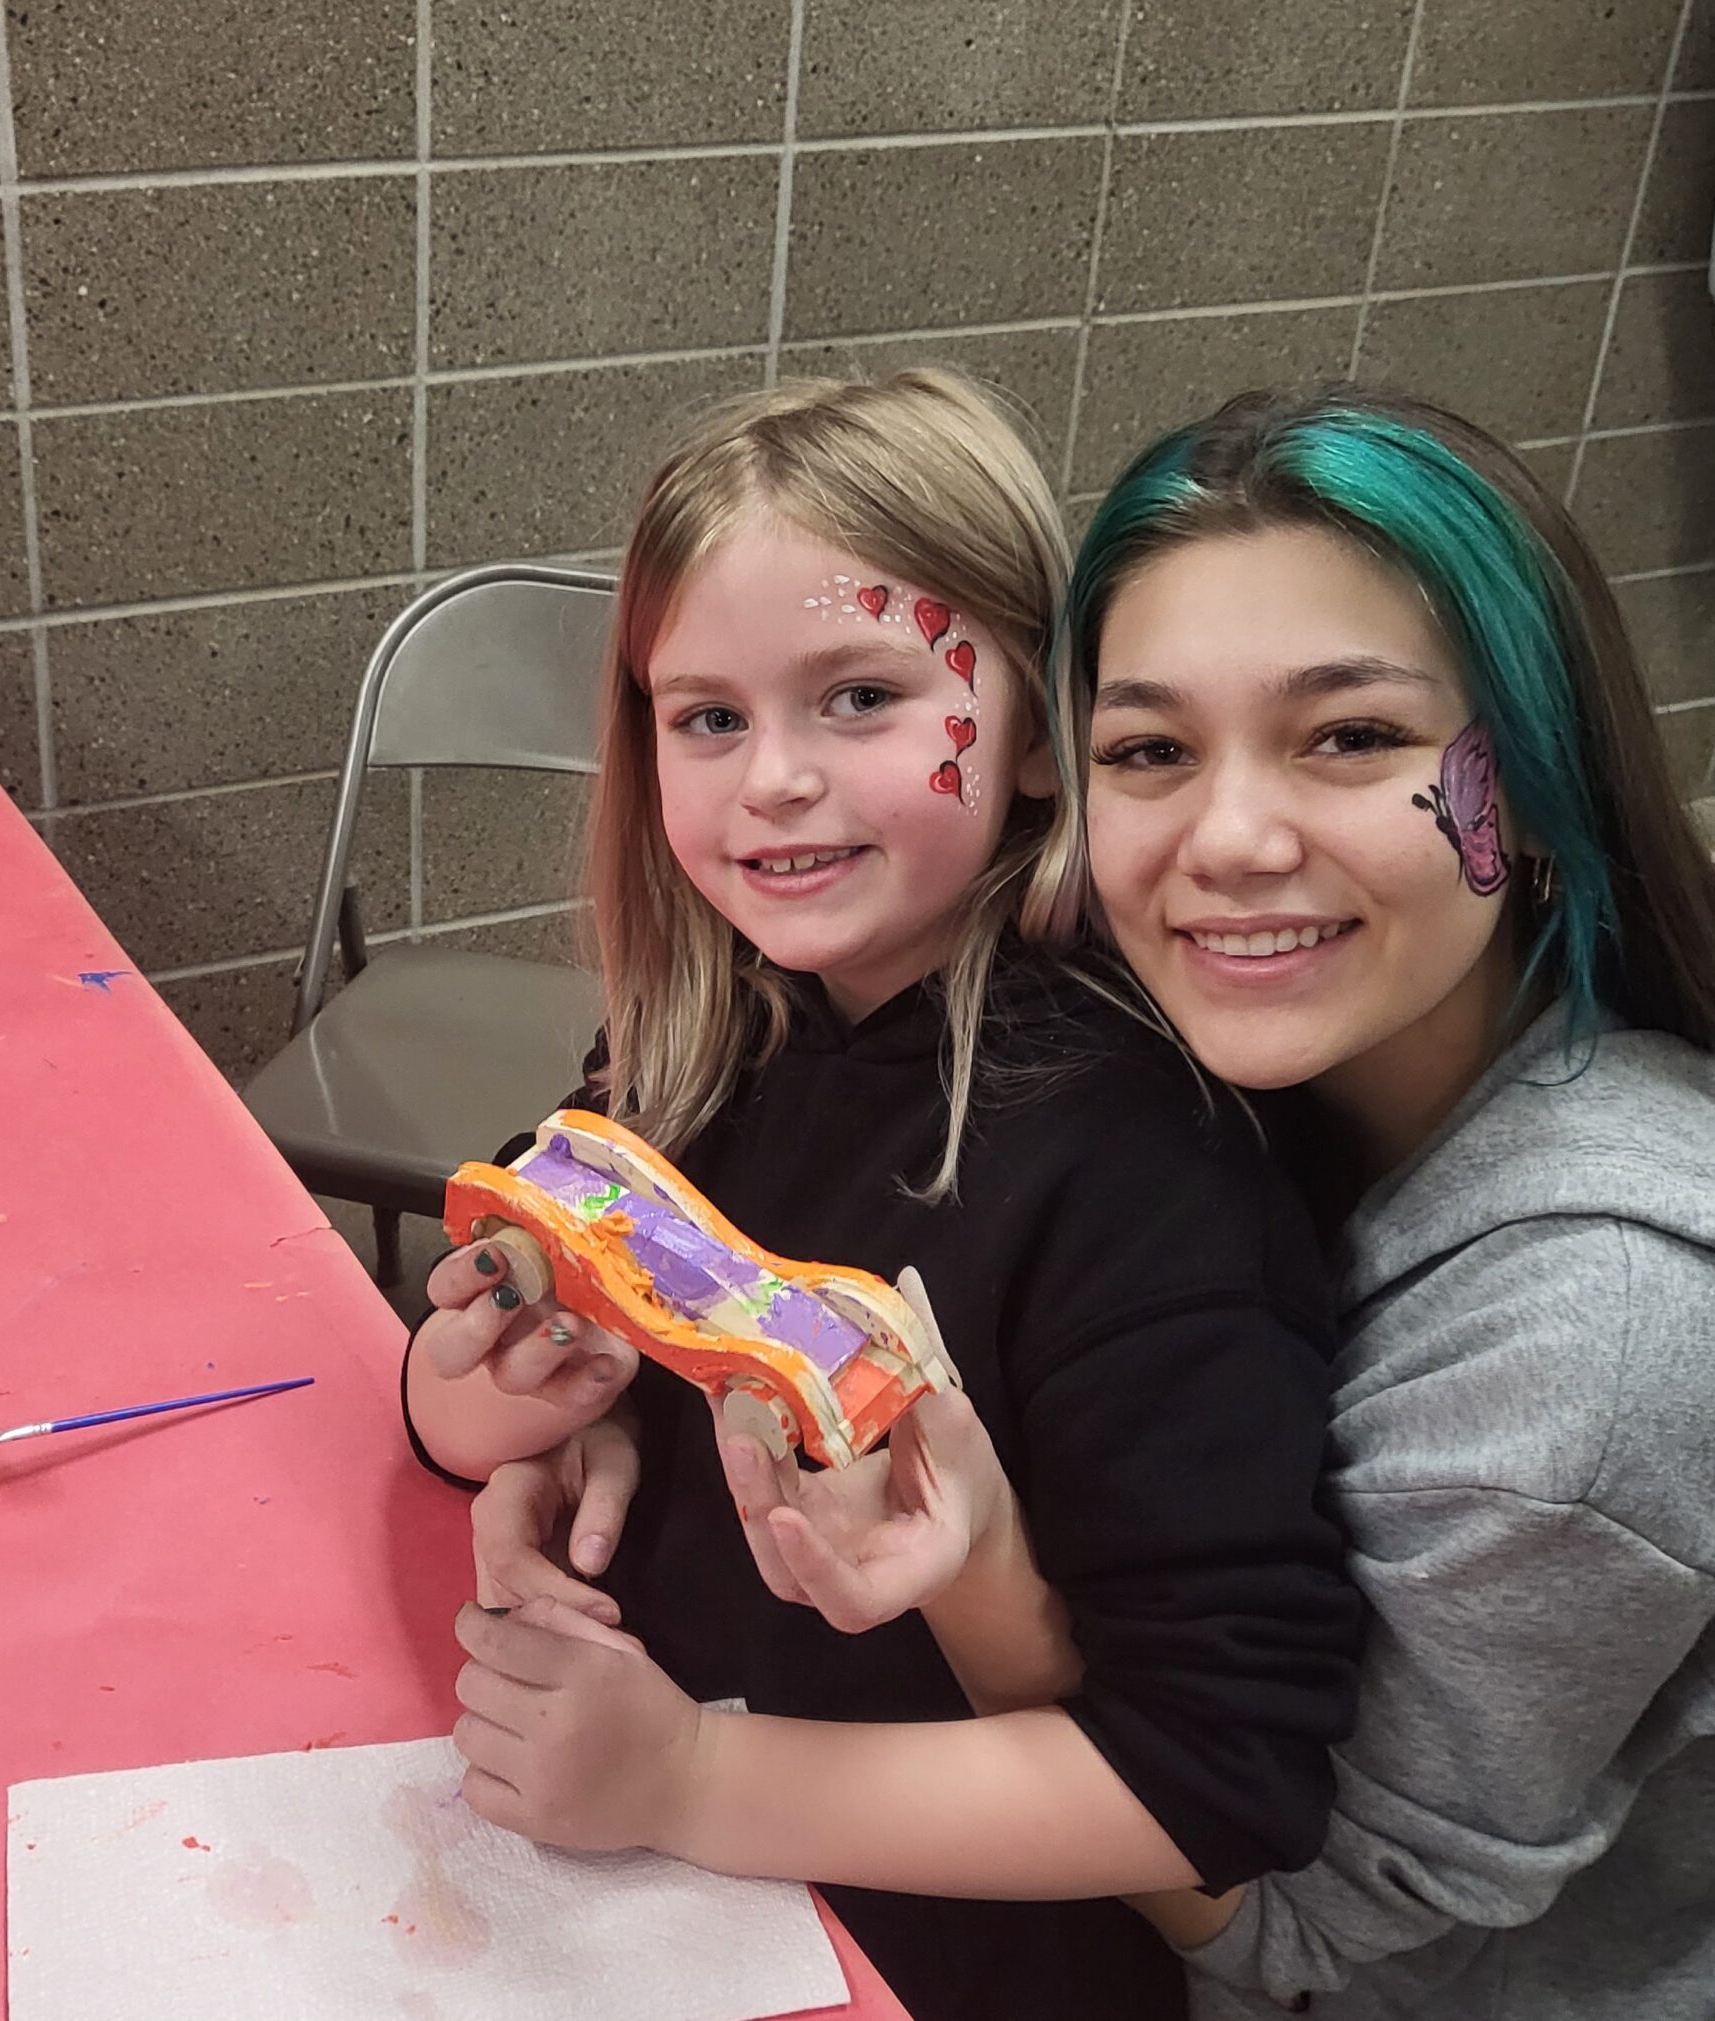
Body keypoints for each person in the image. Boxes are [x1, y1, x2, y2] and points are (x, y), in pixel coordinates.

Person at [722, 386, 1715, 2019]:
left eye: (1351, 737)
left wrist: (964, 1605)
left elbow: (1282, 1925)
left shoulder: (1595, 1346)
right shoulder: (1201, 1067)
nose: (1232, 837)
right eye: (1153, 750)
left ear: (1533, 786)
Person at [400, 370, 1363, 2021]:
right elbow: (472, 1375)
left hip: (928, 1953)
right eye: (707, 716)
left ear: (1041, 732)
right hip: (625, 1890)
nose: (770, 777)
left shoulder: (1138, 1169)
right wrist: (507, 1414)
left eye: (858, 695)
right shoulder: (700, 1046)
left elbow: (1220, 1784)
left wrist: (695, 1778)